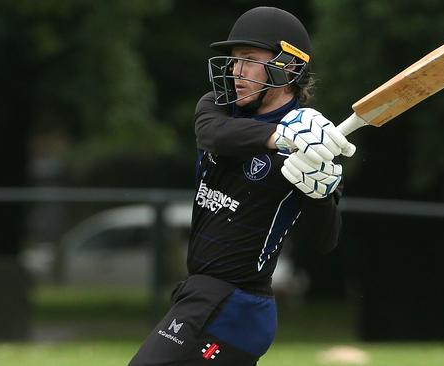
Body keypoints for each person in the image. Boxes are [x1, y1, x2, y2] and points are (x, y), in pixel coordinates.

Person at [128, 6, 354, 366]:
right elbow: (213, 135)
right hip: (203, 293)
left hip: (238, 303)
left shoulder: (313, 148)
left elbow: (322, 241)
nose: (236, 71)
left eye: (249, 60)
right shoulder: (218, 108)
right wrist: (280, 136)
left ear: (289, 67)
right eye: (234, 61)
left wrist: (319, 195)